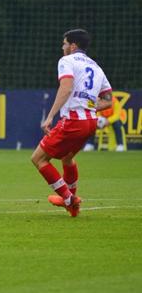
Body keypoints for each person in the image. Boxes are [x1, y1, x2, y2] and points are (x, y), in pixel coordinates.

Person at [30, 29, 112, 217]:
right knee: (67, 158)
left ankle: (69, 199)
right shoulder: (97, 67)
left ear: (73, 45)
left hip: (74, 120)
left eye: (65, 43)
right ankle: (70, 202)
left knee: (38, 159)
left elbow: (66, 87)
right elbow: (108, 99)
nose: (63, 47)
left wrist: (50, 116)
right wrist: (89, 106)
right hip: (90, 121)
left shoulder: (67, 61)